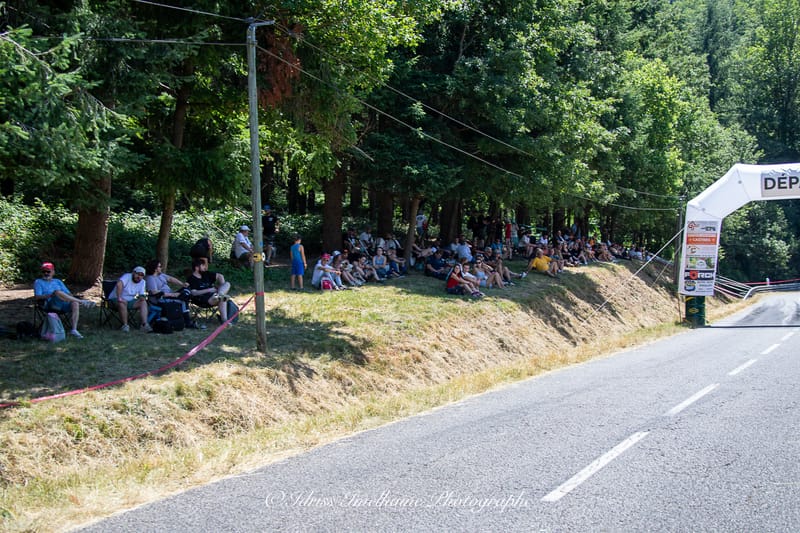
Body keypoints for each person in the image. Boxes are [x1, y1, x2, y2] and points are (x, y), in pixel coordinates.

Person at [33, 261, 94, 339]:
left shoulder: (58, 281)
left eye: (48, 271)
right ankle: (82, 302)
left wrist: (68, 298)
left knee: (74, 303)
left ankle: (74, 330)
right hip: (49, 304)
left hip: (62, 303)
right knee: (57, 292)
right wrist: (51, 295)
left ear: (53, 272)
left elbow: (69, 294)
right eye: (44, 271)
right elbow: (37, 297)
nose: (46, 273)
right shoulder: (38, 282)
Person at [144, 259, 198, 329]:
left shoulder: (161, 275)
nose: (161, 268)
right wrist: (172, 295)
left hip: (170, 296)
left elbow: (171, 279)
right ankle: (187, 322)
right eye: (160, 266)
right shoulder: (150, 278)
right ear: (155, 268)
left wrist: (182, 284)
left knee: (187, 289)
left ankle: (186, 297)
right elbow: (155, 293)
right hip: (161, 299)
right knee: (183, 301)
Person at [187, 258, 230, 323]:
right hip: (203, 299)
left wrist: (221, 287)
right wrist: (209, 289)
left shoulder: (206, 274)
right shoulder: (191, 279)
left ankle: (225, 321)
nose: (205, 267)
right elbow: (194, 293)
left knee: (227, 284)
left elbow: (220, 276)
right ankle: (225, 321)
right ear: (196, 268)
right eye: (203, 265)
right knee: (223, 298)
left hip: (216, 295)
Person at [113, 266, 152, 332]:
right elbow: (119, 284)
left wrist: (142, 298)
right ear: (133, 273)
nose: (139, 277)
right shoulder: (127, 276)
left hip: (130, 301)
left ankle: (144, 325)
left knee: (143, 302)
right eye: (138, 274)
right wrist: (119, 297)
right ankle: (125, 325)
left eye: (142, 275)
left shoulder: (142, 282)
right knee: (122, 302)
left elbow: (141, 294)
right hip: (115, 299)